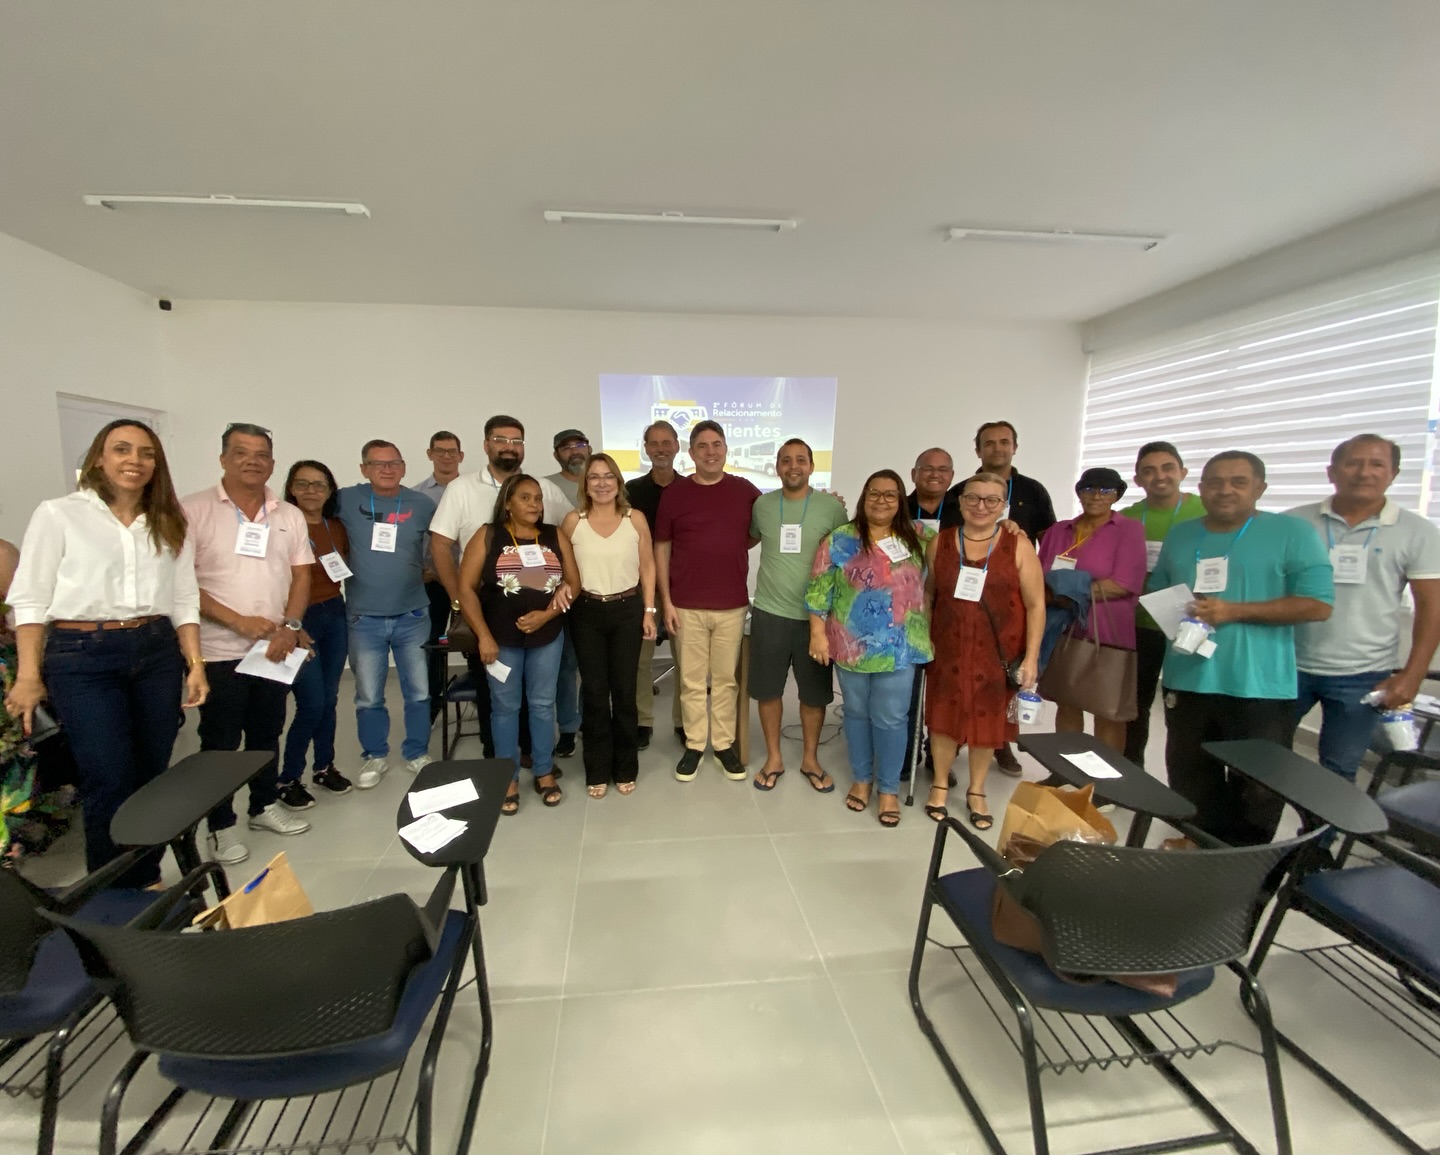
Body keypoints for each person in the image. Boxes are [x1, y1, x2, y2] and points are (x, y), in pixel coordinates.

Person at [6, 420, 208, 887]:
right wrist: (29, 675)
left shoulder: (169, 519)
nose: (134, 460)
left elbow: (184, 598)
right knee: (109, 777)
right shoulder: (59, 514)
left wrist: (195, 664)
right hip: (82, 657)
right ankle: (110, 889)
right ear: (100, 457)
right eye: (122, 449)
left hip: (156, 652)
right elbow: (30, 599)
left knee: (152, 774)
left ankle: (147, 876)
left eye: (146, 453)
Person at [1150, 451, 1333, 846]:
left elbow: (1318, 605)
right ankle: (1201, 845)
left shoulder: (1292, 533)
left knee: (1258, 786)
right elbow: (1160, 589)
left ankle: (1243, 862)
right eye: (1215, 482)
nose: (1225, 490)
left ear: (1260, 488)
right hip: (1187, 676)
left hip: (1258, 683)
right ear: (1201, 488)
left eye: (1238, 482)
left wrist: (1234, 611)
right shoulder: (1182, 534)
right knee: (1189, 773)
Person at [184, 423, 314, 864]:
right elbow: (181, 585)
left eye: (261, 454)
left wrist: (290, 626)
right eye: (241, 452)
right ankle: (220, 826)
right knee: (220, 741)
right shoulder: (193, 510)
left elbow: (301, 575)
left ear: (272, 463)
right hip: (217, 649)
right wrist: (237, 622)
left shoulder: (287, 514)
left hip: (273, 648)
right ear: (223, 458)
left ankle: (263, 806)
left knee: (266, 732)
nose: (252, 461)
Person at [1288, 434, 1440, 783]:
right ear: (1332, 472)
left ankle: (1320, 824)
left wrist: (1412, 675)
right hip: (1287, 664)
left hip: (1364, 673)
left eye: (1376, 464)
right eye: (1353, 463)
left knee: (1339, 769)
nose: (1364, 472)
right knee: (1262, 755)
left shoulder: (1418, 532)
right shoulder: (1294, 523)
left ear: (1393, 473)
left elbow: (1432, 607)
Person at [430, 416, 575, 759]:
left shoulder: (546, 489)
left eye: (516, 441)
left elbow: (572, 529)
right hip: (489, 615)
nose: (509, 447)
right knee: (497, 697)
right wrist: (458, 600)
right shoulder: (462, 489)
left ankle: (534, 757)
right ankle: (498, 762)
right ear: (486, 445)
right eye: (501, 440)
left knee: (539, 699)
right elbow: (440, 545)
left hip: (545, 621)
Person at [807, 470, 932, 827]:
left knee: (892, 717)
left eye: (890, 494)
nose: (881, 500)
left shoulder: (922, 537)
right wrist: (817, 634)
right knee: (857, 713)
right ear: (864, 497)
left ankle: (888, 789)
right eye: (874, 493)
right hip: (851, 646)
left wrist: (1007, 528)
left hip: (900, 646)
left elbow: (965, 549)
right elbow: (819, 590)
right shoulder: (840, 539)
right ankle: (862, 779)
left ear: (901, 500)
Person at [924, 472, 1045, 829]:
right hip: (948, 648)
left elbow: (1036, 604)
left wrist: (1032, 658)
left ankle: (977, 790)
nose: (981, 506)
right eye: (973, 498)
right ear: (961, 502)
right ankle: (940, 783)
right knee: (943, 719)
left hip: (998, 652)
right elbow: (930, 593)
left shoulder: (1018, 545)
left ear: (1002, 506)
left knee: (986, 721)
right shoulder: (940, 543)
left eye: (992, 500)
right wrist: (926, 638)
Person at [457, 474, 580, 814]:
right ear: (508, 503)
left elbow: (573, 584)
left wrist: (547, 615)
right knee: (505, 707)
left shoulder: (554, 535)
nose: (534, 504)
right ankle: (507, 777)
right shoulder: (489, 534)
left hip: (547, 635)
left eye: (538, 498)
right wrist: (483, 636)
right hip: (500, 639)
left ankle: (543, 770)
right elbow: (466, 588)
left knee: (542, 704)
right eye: (525, 498)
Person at [943, 420, 1055, 777]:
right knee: (953, 691)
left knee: (996, 691)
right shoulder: (959, 492)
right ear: (977, 449)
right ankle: (946, 749)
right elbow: (949, 540)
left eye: (1004, 442)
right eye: (989, 443)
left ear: (1015, 447)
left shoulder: (1033, 492)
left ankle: (1000, 747)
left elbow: (1048, 542)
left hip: (1006, 608)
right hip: (959, 609)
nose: (997, 448)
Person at [656, 420, 761, 782]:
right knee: (691, 680)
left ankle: (724, 744)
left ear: (726, 450)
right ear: (691, 453)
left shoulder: (745, 491)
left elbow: (759, 530)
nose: (710, 452)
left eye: (717, 445)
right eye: (702, 446)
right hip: (686, 604)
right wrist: (666, 601)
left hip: (731, 604)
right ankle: (695, 744)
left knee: (726, 679)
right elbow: (662, 547)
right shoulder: (675, 494)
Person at [748, 438, 849, 792]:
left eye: (801, 460)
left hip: (816, 618)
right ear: (777, 466)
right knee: (768, 690)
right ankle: (774, 757)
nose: (794, 466)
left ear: (811, 466)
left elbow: (845, 554)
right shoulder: (762, 505)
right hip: (770, 612)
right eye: (786, 460)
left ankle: (810, 759)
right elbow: (747, 539)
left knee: (814, 694)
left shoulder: (831, 508)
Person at [335, 439, 435, 788]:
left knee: (419, 691)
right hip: (364, 617)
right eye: (378, 464)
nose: (387, 469)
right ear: (364, 468)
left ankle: (417, 752)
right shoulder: (345, 500)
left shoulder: (422, 504)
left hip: (413, 614)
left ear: (404, 467)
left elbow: (441, 546)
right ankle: (375, 755)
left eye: (393, 463)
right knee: (368, 695)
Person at [560, 454, 657, 797]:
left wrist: (649, 610)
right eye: (594, 477)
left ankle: (626, 766)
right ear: (585, 484)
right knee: (595, 693)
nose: (601, 483)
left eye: (608, 477)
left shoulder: (635, 519)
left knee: (625, 692)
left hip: (628, 610)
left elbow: (648, 566)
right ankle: (597, 768)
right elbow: (563, 568)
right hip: (586, 613)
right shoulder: (574, 521)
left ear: (618, 482)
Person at [1037, 467, 1148, 753]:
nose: (1097, 496)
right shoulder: (1059, 530)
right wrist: (1057, 593)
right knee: (1067, 701)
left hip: (1108, 632)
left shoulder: (1129, 530)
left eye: (1106, 490)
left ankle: (1105, 775)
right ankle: (1066, 769)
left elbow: (1123, 583)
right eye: (1089, 489)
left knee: (1107, 708)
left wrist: (1067, 592)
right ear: (1079, 493)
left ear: (1117, 495)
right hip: (1061, 629)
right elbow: (1039, 576)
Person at [1120, 441, 1206, 767]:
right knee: (1135, 705)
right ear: (1137, 479)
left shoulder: (1205, 512)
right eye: (1149, 470)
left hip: (1193, 625)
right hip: (1139, 624)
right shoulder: (1127, 518)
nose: (1159, 476)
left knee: (1186, 708)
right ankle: (1131, 771)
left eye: (1167, 468)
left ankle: (1189, 780)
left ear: (1182, 471)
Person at [277, 460, 354, 807]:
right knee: (311, 703)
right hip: (299, 618)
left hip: (334, 614)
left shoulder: (335, 526)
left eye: (319, 484)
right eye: (303, 484)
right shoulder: (281, 526)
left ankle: (323, 766)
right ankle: (288, 778)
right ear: (291, 489)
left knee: (330, 699)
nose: (311, 491)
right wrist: (292, 624)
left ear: (330, 490)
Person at [625, 419, 682, 750]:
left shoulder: (691, 489)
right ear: (646, 449)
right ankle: (643, 721)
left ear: (677, 446)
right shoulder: (630, 491)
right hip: (642, 587)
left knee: (685, 660)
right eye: (654, 443)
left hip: (682, 588)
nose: (661, 449)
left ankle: (683, 723)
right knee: (639, 661)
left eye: (666, 442)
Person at [415, 431, 465, 722]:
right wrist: (419, 569)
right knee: (432, 642)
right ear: (429, 454)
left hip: (469, 582)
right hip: (433, 582)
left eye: (452, 451)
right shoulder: (417, 495)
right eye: (440, 451)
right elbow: (411, 539)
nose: (446, 456)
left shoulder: (471, 490)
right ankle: (433, 702)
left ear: (461, 456)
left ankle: (479, 695)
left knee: (472, 640)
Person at [908, 447, 957, 531]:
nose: (935, 475)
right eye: (928, 469)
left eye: (942, 470)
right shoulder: (898, 509)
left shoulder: (964, 510)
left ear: (952, 476)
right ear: (913, 474)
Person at [546, 429, 591, 510]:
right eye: (566, 447)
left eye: (580, 445)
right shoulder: (546, 486)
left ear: (589, 449)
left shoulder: (607, 484)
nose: (575, 452)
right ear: (556, 455)